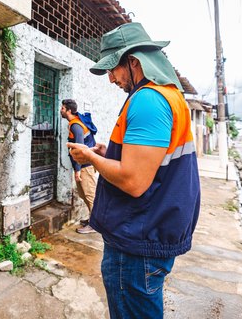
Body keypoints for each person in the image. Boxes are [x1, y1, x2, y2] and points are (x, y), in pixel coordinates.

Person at [67, 23, 201, 319]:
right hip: (148, 232)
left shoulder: (148, 100)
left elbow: (134, 180)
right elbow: (147, 162)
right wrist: (107, 154)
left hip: (137, 238)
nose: (111, 78)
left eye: (113, 69)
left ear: (134, 62)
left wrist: (90, 156)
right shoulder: (167, 96)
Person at [60, 99, 98, 234]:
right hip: (84, 166)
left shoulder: (76, 125)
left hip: (85, 166)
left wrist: (77, 170)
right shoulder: (75, 123)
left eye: (63, 108)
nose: (61, 110)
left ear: (69, 110)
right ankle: (93, 219)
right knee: (84, 194)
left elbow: (80, 150)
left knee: (90, 194)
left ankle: (95, 225)